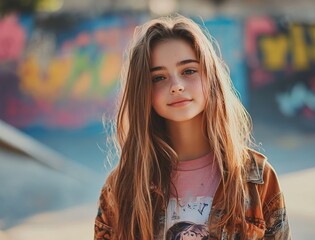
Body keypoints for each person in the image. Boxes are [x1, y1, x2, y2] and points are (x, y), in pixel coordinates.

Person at [94, 14, 291, 240]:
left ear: (211, 77)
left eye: (188, 71)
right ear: (143, 92)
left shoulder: (256, 179)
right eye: (158, 77)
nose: (176, 86)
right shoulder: (121, 188)